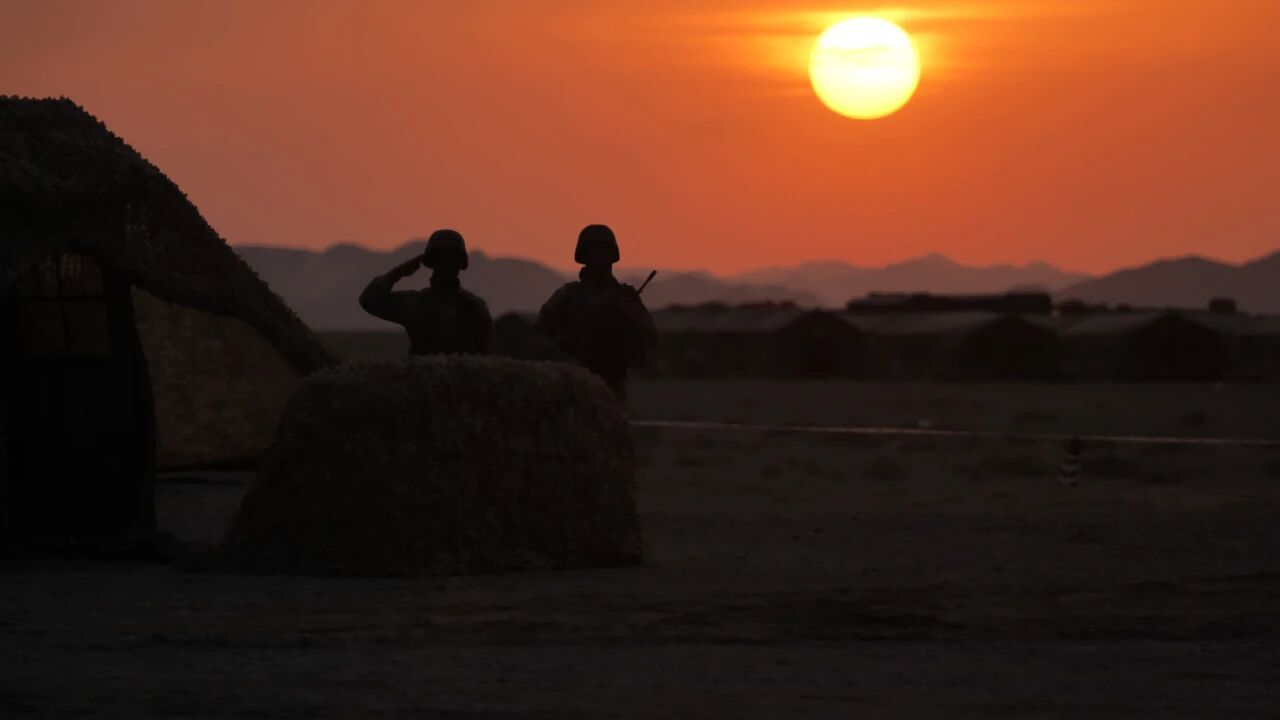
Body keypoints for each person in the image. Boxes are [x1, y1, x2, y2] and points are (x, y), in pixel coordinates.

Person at [537, 224, 656, 400]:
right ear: (584, 255)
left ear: (612, 255)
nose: (599, 255)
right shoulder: (568, 295)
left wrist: (631, 318)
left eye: (604, 250)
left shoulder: (625, 297)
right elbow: (541, 335)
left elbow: (650, 338)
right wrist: (567, 361)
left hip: (612, 385)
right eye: (594, 250)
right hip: (575, 385)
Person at [359, 229, 492, 355]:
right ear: (433, 262)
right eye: (441, 258)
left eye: (451, 259)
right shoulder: (416, 304)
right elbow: (368, 300)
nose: (446, 264)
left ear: (459, 263)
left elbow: (487, 353)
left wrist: (397, 273)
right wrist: (397, 273)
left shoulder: (475, 307)